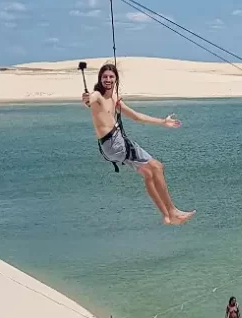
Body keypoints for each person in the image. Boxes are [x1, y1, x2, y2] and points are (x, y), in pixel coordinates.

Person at [83, 62, 195, 225]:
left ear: (116, 79)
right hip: (115, 143)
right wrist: (86, 99)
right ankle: (173, 211)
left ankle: (166, 216)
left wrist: (162, 122)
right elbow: (90, 99)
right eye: (104, 76)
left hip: (113, 145)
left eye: (111, 76)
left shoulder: (115, 99)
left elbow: (136, 116)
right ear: (100, 79)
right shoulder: (98, 97)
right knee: (157, 166)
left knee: (149, 174)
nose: (108, 79)